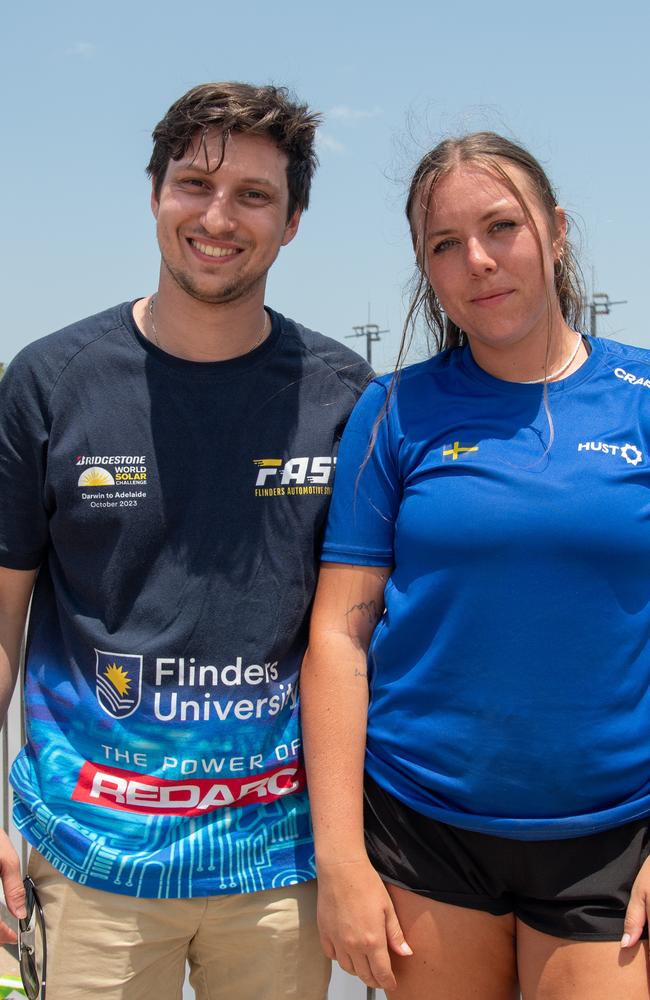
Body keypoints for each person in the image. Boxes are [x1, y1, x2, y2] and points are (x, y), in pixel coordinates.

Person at [0, 81, 371, 999]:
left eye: (254, 195)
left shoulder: (344, 394)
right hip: (89, 870)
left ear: (291, 225)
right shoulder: (50, 384)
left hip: (280, 875)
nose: (219, 217)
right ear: (155, 194)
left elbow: (356, 637)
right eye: (194, 184)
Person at [301, 131, 650, 999]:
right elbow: (340, 635)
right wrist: (341, 859)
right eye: (446, 245)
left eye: (502, 227)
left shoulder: (643, 399)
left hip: (612, 834)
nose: (480, 262)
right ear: (426, 267)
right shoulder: (396, 410)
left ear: (556, 231)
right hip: (426, 827)